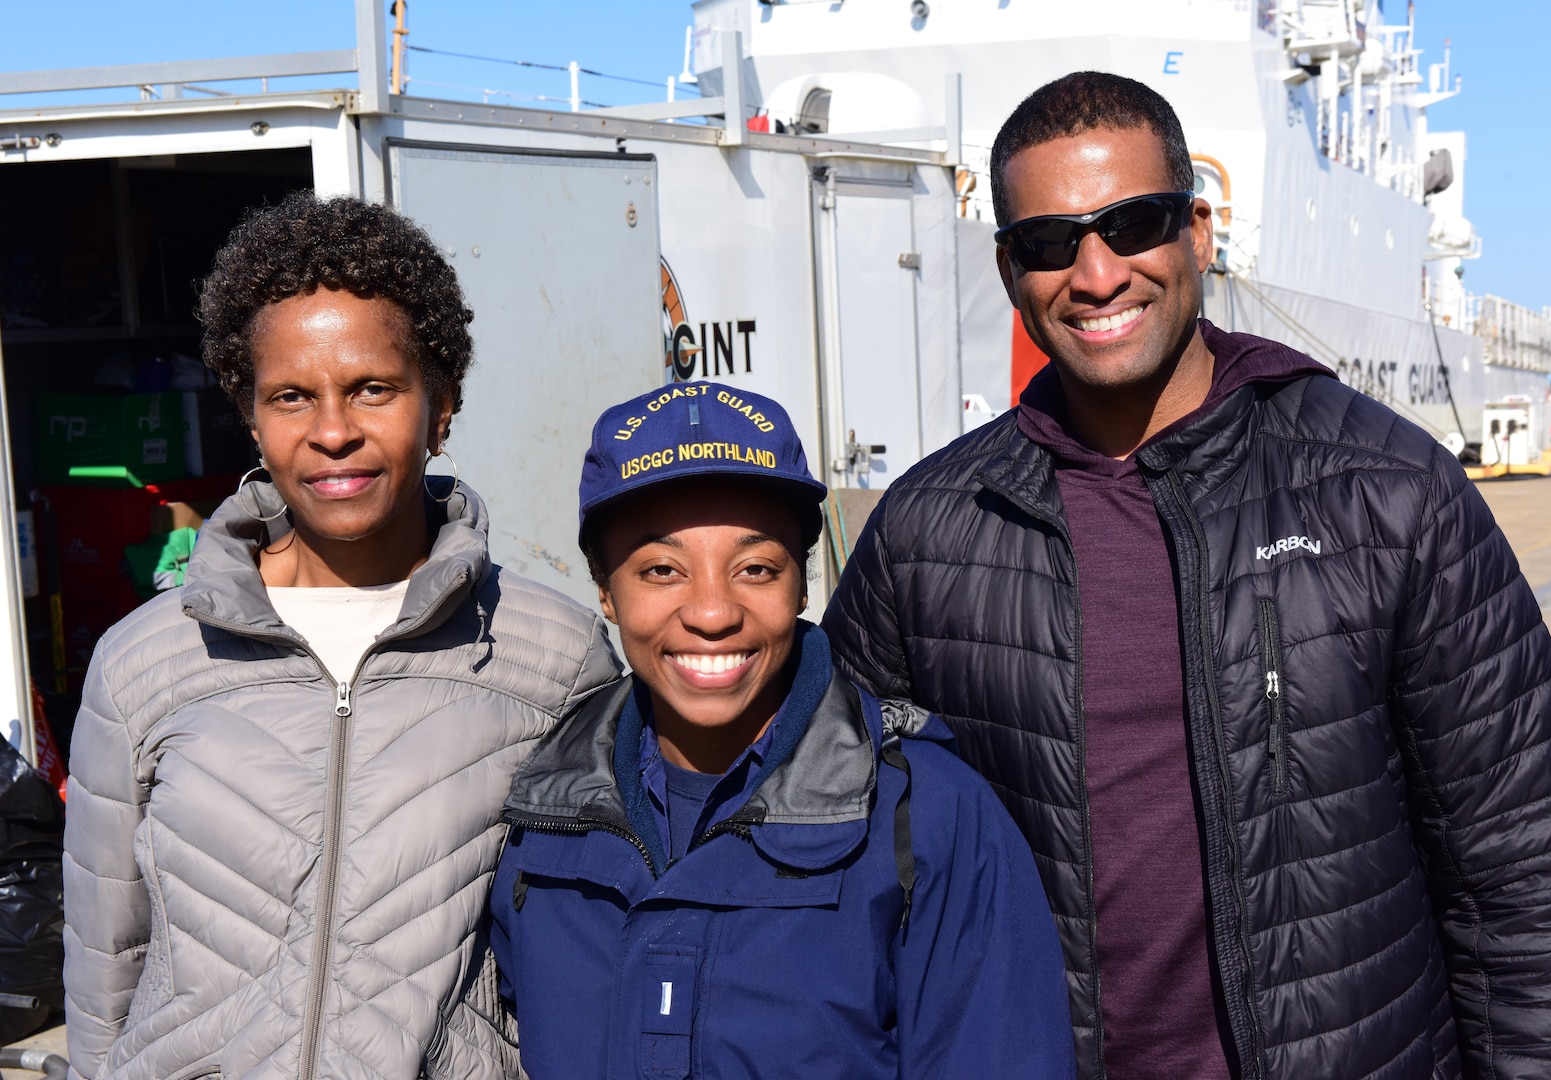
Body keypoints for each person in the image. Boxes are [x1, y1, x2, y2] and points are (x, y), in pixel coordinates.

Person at [821, 71, 1551, 1080]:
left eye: (1134, 223)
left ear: (1197, 230)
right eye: (1050, 242)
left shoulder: (1384, 490)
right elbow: (831, 861)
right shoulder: (928, 530)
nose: (1097, 273)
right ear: (1007, 268)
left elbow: (1527, 873)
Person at [61, 192, 621, 1080]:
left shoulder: (552, 658)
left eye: (372, 388)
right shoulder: (145, 661)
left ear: (441, 407)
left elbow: (587, 952)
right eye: (291, 396)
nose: (332, 432)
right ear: (251, 416)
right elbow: (104, 968)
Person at [489, 381, 1075, 1079]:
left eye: (756, 568)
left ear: (801, 583)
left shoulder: (929, 819)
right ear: (606, 590)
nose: (712, 612)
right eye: (662, 570)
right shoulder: (537, 823)